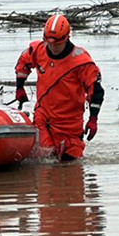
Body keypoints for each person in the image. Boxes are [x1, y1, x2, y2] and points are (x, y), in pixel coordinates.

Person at [15, 14, 104, 160]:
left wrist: (93, 119)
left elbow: (96, 91)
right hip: (43, 116)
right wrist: (20, 87)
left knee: (69, 162)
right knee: (43, 157)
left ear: (67, 38)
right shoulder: (38, 50)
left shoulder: (81, 62)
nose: (53, 48)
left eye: (57, 44)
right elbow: (23, 63)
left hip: (69, 123)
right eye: (50, 44)